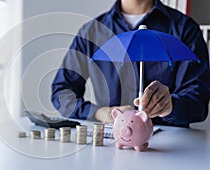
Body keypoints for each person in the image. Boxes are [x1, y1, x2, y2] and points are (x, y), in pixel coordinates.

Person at [51, 0, 210, 127]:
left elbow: (199, 101)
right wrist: (99, 113)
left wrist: (170, 105)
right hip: (110, 143)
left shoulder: (185, 29)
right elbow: (62, 92)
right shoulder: (92, 32)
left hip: (173, 148)